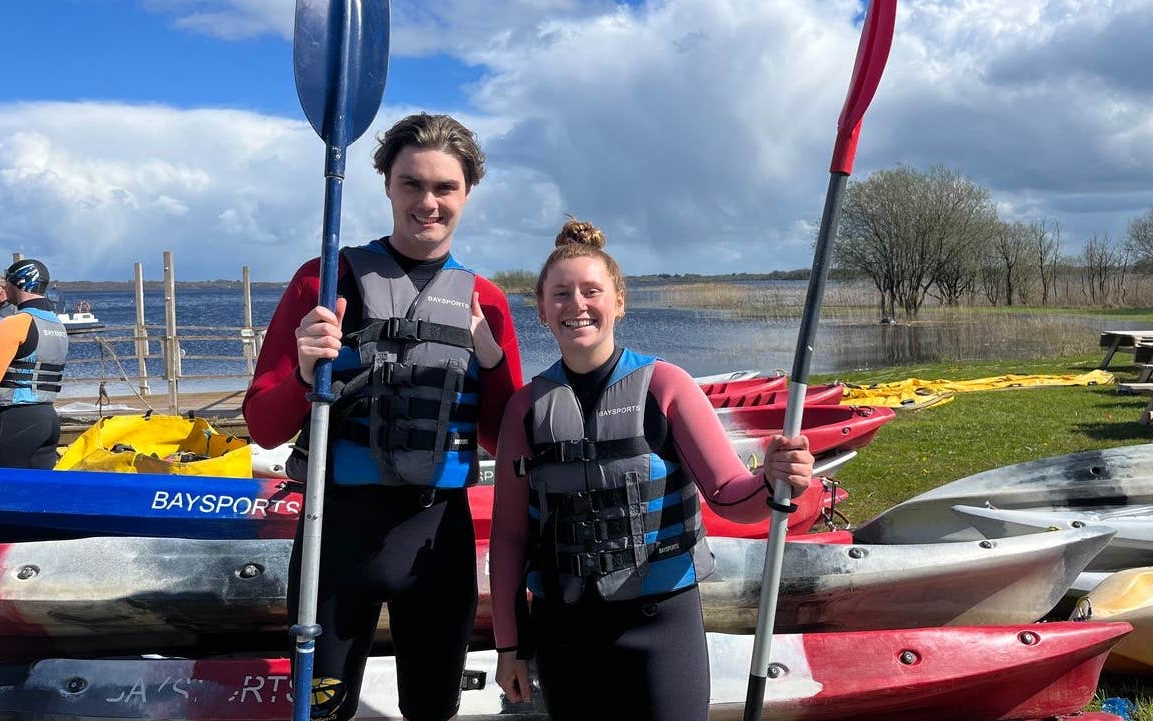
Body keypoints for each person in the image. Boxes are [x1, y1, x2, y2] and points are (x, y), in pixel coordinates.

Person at [243, 113, 523, 721]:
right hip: (337, 533)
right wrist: (302, 367)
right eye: (411, 184)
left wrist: (494, 361)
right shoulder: (324, 281)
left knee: (431, 709)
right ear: (388, 186)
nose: (428, 202)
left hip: (436, 538)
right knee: (323, 711)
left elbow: (504, 439)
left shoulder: (487, 302)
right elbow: (263, 427)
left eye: (444, 187)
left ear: (467, 193)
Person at [489, 220, 814, 721]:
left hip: (660, 622)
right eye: (561, 294)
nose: (576, 304)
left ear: (618, 301)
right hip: (564, 630)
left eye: (590, 290)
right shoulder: (526, 409)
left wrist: (773, 479)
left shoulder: (666, 386)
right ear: (541, 311)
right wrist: (509, 646)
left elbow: (732, 495)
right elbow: (510, 537)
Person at [0, 259, 67, 469]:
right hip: (48, 417)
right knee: (39, 495)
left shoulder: (14, 323)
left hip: (14, 418)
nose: (5, 288)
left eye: (7, 282)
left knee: (2, 494)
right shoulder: (56, 324)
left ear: (20, 283)